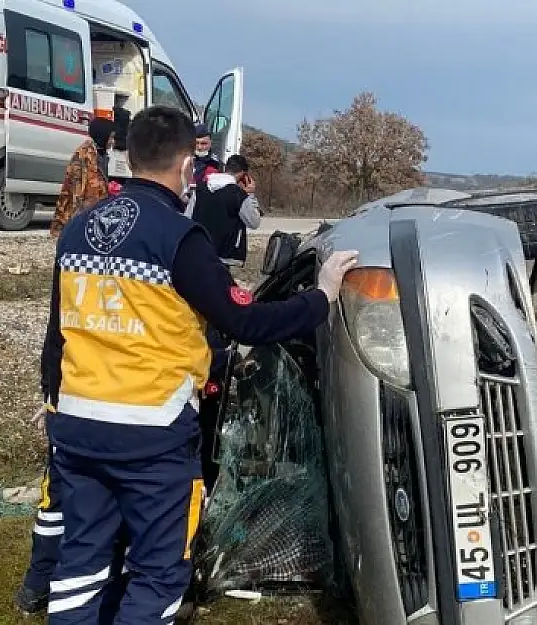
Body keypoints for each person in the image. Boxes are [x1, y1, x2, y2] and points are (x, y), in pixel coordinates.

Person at [38, 105, 358, 624]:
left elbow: (58, 330)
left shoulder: (78, 230)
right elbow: (243, 324)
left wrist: (49, 398)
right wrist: (321, 298)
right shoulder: (179, 240)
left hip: (76, 425)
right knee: (158, 573)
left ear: (127, 154)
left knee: (81, 564)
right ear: (189, 167)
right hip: (151, 434)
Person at [191, 154, 262, 267]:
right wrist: (251, 195)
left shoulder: (200, 188)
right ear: (243, 174)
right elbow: (254, 222)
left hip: (199, 250)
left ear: (225, 169)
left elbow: (188, 216)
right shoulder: (238, 195)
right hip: (224, 255)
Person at [50, 117, 115, 237]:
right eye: (111, 137)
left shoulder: (100, 154)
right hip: (80, 218)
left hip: (93, 215)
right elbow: (77, 195)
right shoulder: (83, 156)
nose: (113, 141)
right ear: (102, 135)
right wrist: (77, 227)